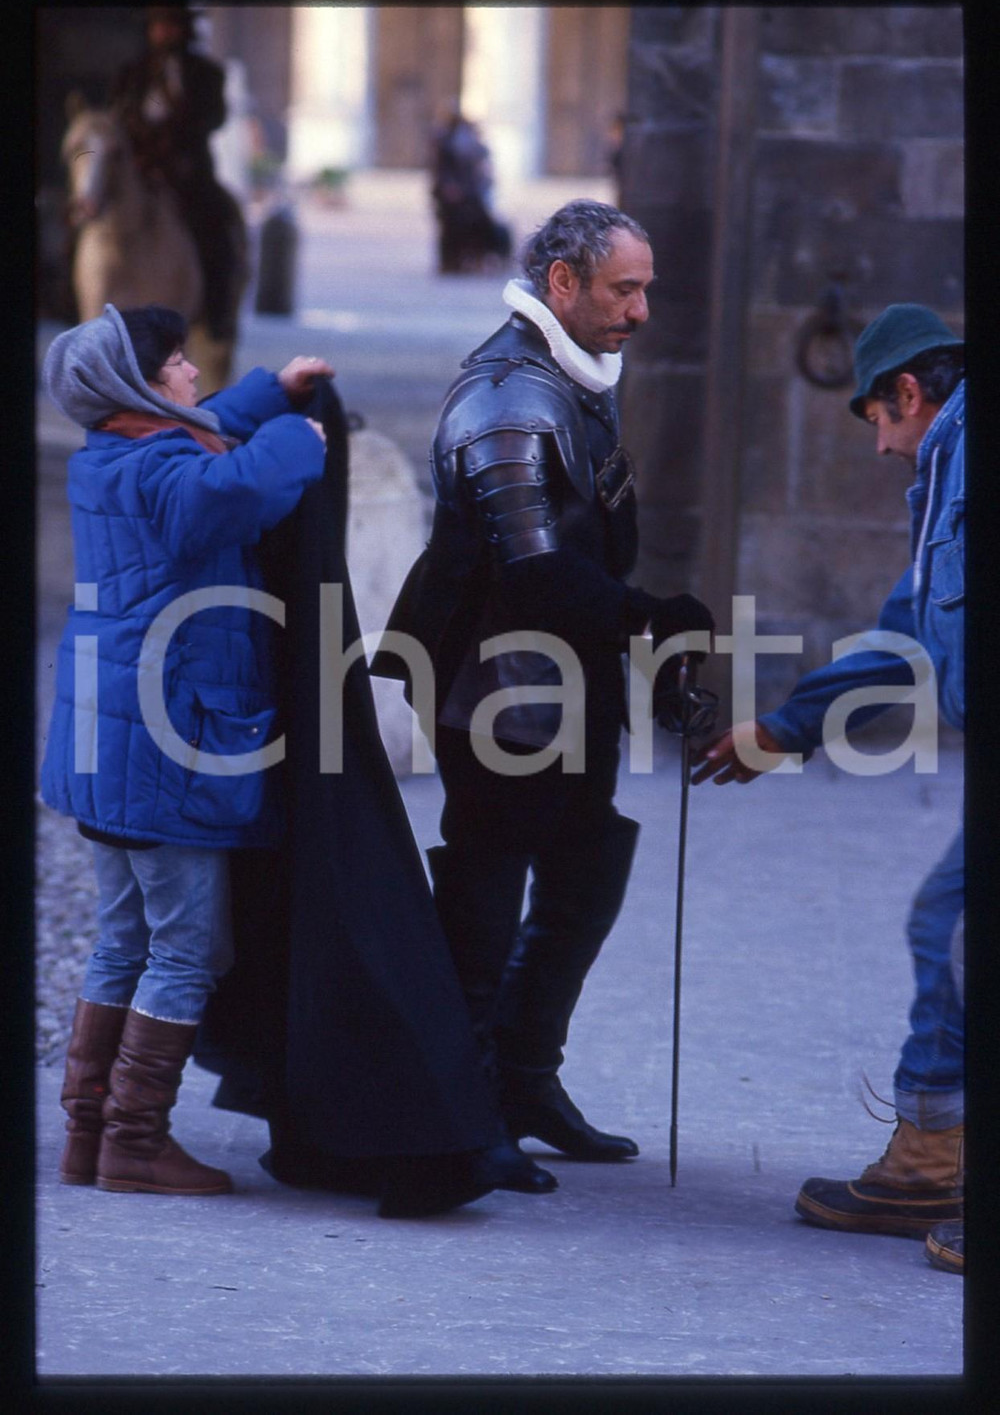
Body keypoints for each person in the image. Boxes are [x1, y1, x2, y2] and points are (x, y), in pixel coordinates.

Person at [40, 304, 500, 1218]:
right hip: (167, 750)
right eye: (176, 364)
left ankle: (90, 1132)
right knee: (185, 948)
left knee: (123, 939)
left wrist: (270, 395)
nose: (191, 374)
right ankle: (136, 1139)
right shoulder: (165, 471)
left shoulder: (109, 455)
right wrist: (300, 436)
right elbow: (232, 489)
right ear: (140, 385)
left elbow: (203, 435)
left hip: (109, 748)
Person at [373, 200, 715, 1191]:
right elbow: (530, 572)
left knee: (584, 875)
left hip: (569, 682)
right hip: (495, 693)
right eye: (623, 289)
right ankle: (460, 1109)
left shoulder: (572, 374)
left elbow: (582, 551)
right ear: (561, 283)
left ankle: (524, 1082)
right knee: (481, 904)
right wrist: (649, 616)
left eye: (645, 288)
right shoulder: (506, 400)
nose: (640, 310)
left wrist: (643, 646)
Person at [690, 304, 964, 1271]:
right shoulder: (949, 463)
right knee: (947, 924)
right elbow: (908, 628)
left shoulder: (966, 451)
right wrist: (786, 727)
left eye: (880, 419)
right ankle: (930, 1159)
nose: (882, 445)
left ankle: (934, 1158)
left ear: (906, 392)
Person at [112, 5, 241, 339]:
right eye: (158, 25)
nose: (164, 32)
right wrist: (143, 147)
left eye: (172, 25)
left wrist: (177, 134)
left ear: (185, 29)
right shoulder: (133, 73)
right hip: (139, 169)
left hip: (187, 170)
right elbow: (120, 116)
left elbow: (214, 117)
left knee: (217, 224)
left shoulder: (207, 73)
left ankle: (215, 311)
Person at [430, 109, 510, 274]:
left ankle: (469, 259)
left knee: (479, 225)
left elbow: (484, 171)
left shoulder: (464, 143)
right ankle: (455, 261)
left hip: (470, 197)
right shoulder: (448, 143)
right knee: (456, 226)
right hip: (457, 199)